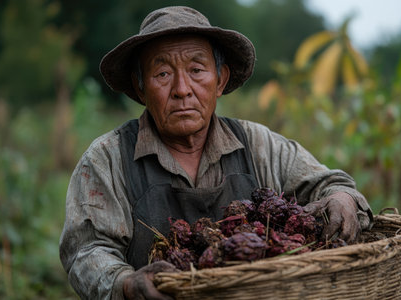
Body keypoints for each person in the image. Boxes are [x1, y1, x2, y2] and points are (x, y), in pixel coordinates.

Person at [59, 6, 373, 300]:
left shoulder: (258, 145)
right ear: (141, 90)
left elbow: (333, 185)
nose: (182, 89)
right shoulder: (108, 158)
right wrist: (126, 283)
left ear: (220, 80)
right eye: (163, 74)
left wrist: (342, 199)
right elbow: (87, 251)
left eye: (197, 70)